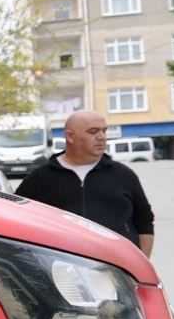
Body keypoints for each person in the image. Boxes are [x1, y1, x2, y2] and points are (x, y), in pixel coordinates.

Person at [15, 109, 155, 256]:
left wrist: (140, 268)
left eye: (104, 131)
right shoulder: (40, 179)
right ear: (70, 136)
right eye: (93, 131)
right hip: (58, 269)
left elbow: (144, 221)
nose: (101, 137)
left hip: (116, 271)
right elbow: (15, 220)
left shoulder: (124, 175)